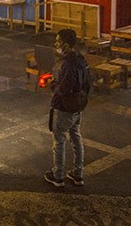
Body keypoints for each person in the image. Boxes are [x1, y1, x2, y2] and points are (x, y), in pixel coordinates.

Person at [45, 28, 90, 188]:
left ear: (66, 45)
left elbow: (64, 89)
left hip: (65, 108)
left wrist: (53, 84)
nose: (56, 44)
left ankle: (58, 176)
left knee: (59, 140)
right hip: (78, 106)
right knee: (76, 138)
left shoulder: (69, 64)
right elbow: (87, 83)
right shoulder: (81, 60)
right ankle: (78, 174)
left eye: (58, 42)